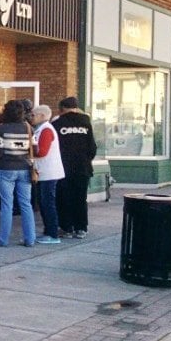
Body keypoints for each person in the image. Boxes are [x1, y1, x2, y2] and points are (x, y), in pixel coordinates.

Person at [0, 100, 36, 247]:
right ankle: (30, 239)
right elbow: (35, 150)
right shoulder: (29, 128)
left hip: (6, 169)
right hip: (25, 168)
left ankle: (3, 240)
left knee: (6, 205)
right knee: (26, 204)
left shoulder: (2, 128)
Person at [55, 96, 97, 238]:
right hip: (82, 167)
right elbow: (92, 147)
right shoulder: (86, 123)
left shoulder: (58, 123)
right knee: (80, 198)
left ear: (63, 109)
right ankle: (81, 228)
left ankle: (66, 228)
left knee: (64, 197)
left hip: (63, 167)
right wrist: (86, 160)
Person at [31, 105, 65, 245]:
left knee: (48, 203)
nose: (31, 117)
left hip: (48, 172)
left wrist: (29, 149)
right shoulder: (42, 129)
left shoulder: (46, 130)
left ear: (42, 116)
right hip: (45, 172)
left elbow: (42, 151)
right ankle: (48, 231)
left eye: (34, 115)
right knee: (44, 203)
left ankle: (52, 233)